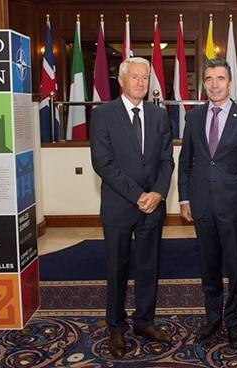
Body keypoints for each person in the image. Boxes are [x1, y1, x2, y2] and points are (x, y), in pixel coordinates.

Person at [90, 56, 175, 359]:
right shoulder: (103, 115)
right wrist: (138, 194)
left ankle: (144, 322)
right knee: (117, 268)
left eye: (145, 78)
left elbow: (167, 160)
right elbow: (103, 163)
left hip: (153, 206)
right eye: (135, 78)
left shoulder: (159, 116)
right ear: (121, 81)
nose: (140, 83)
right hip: (119, 206)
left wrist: (159, 193)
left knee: (148, 267)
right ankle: (115, 327)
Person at [178, 57, 237, 348]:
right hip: (201, 205)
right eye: (209, 79)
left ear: (230, 83)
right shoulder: (192, 118)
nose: (214, 85)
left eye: (220, 79)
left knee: (235, 267)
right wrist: (184, 198)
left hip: (234, 208)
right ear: (203, 84)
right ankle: (213, 316)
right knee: (209, 266)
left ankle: (233, 321)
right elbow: (185, 162)